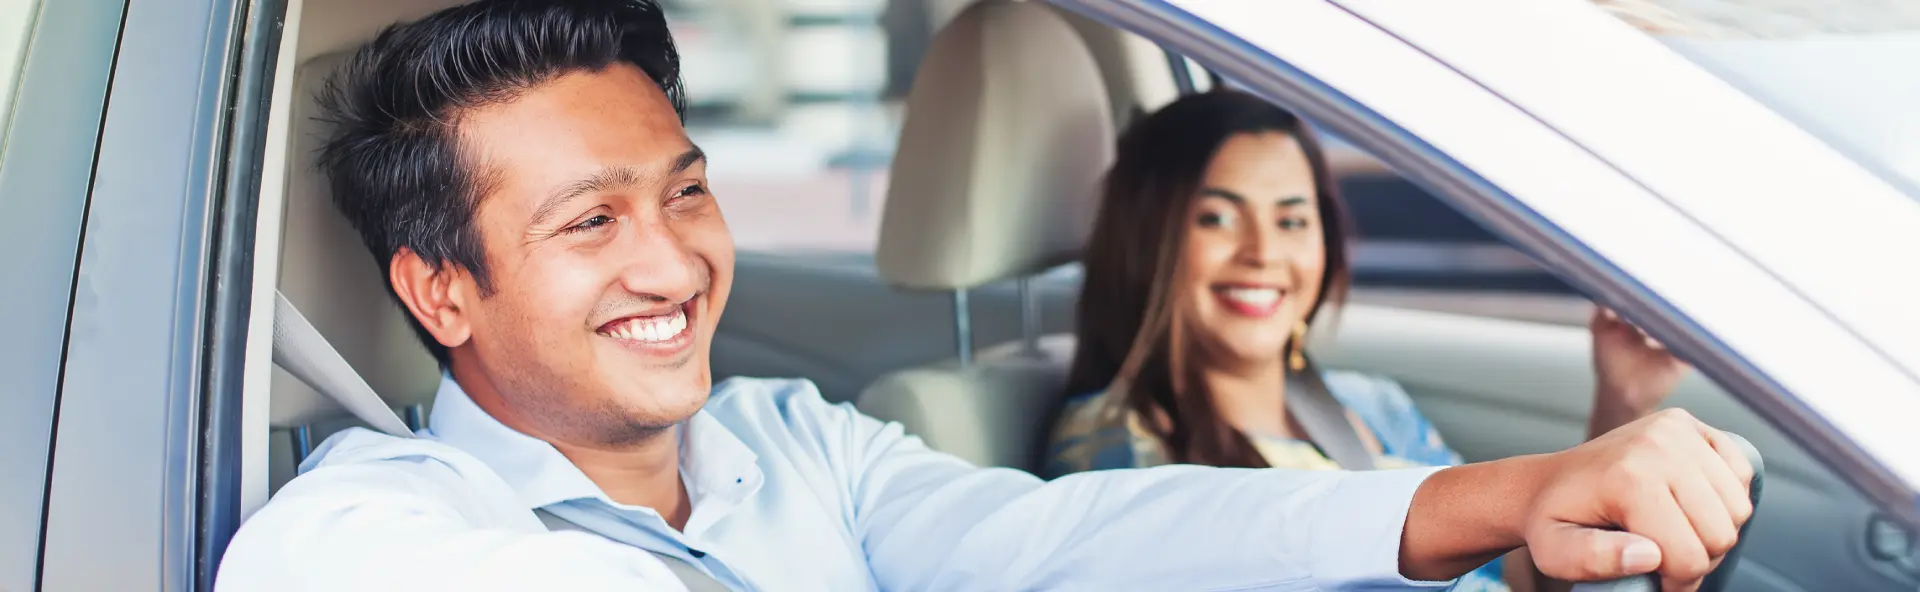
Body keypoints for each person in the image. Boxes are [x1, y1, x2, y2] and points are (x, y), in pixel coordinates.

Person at [215, 1, 1752, 590]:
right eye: (589, 222)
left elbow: (1075, 536)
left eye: (685, 188)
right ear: (441, 291)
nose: (674, 262)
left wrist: (1505, 493)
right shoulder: (373, 529)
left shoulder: (797, 444)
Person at [1042, 90, 1692, 591]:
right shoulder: (1116, 446)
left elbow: (1521, 572)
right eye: (1217, 217)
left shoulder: (1370, 407)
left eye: (1292, 219)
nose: (1264, 252)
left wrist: (1621, 399)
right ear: (1148, 239)